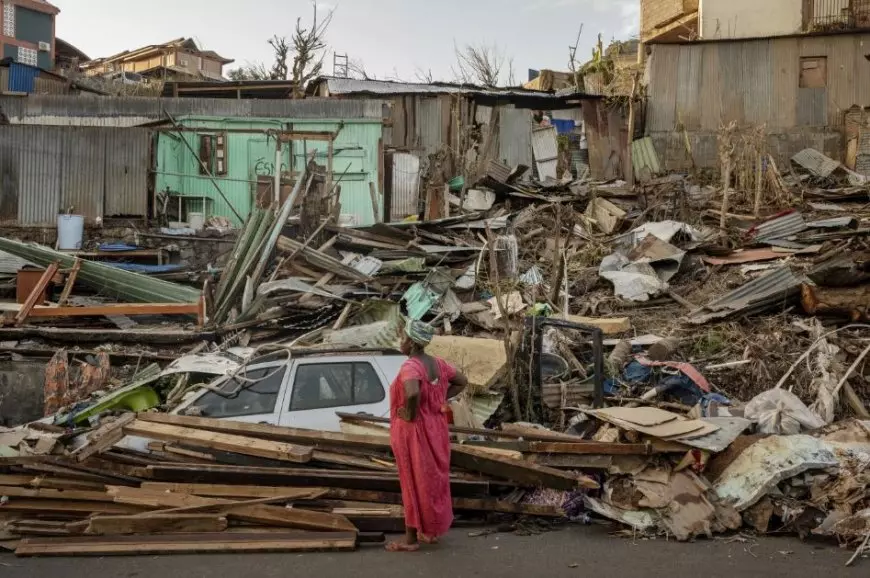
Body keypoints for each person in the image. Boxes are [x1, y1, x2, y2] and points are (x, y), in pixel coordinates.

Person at [386, 319, 468, 552]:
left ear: (412, 343)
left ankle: (411, 540)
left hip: (414, 432)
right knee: (432, 481)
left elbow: (412, 392)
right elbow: (462, 381)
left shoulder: (411, 366)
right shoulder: (439, 365)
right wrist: (439, 398)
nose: (400, 342)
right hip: (436, 428)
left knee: (411, 481)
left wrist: (410, 413)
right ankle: (429, 532)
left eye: (403, 338)